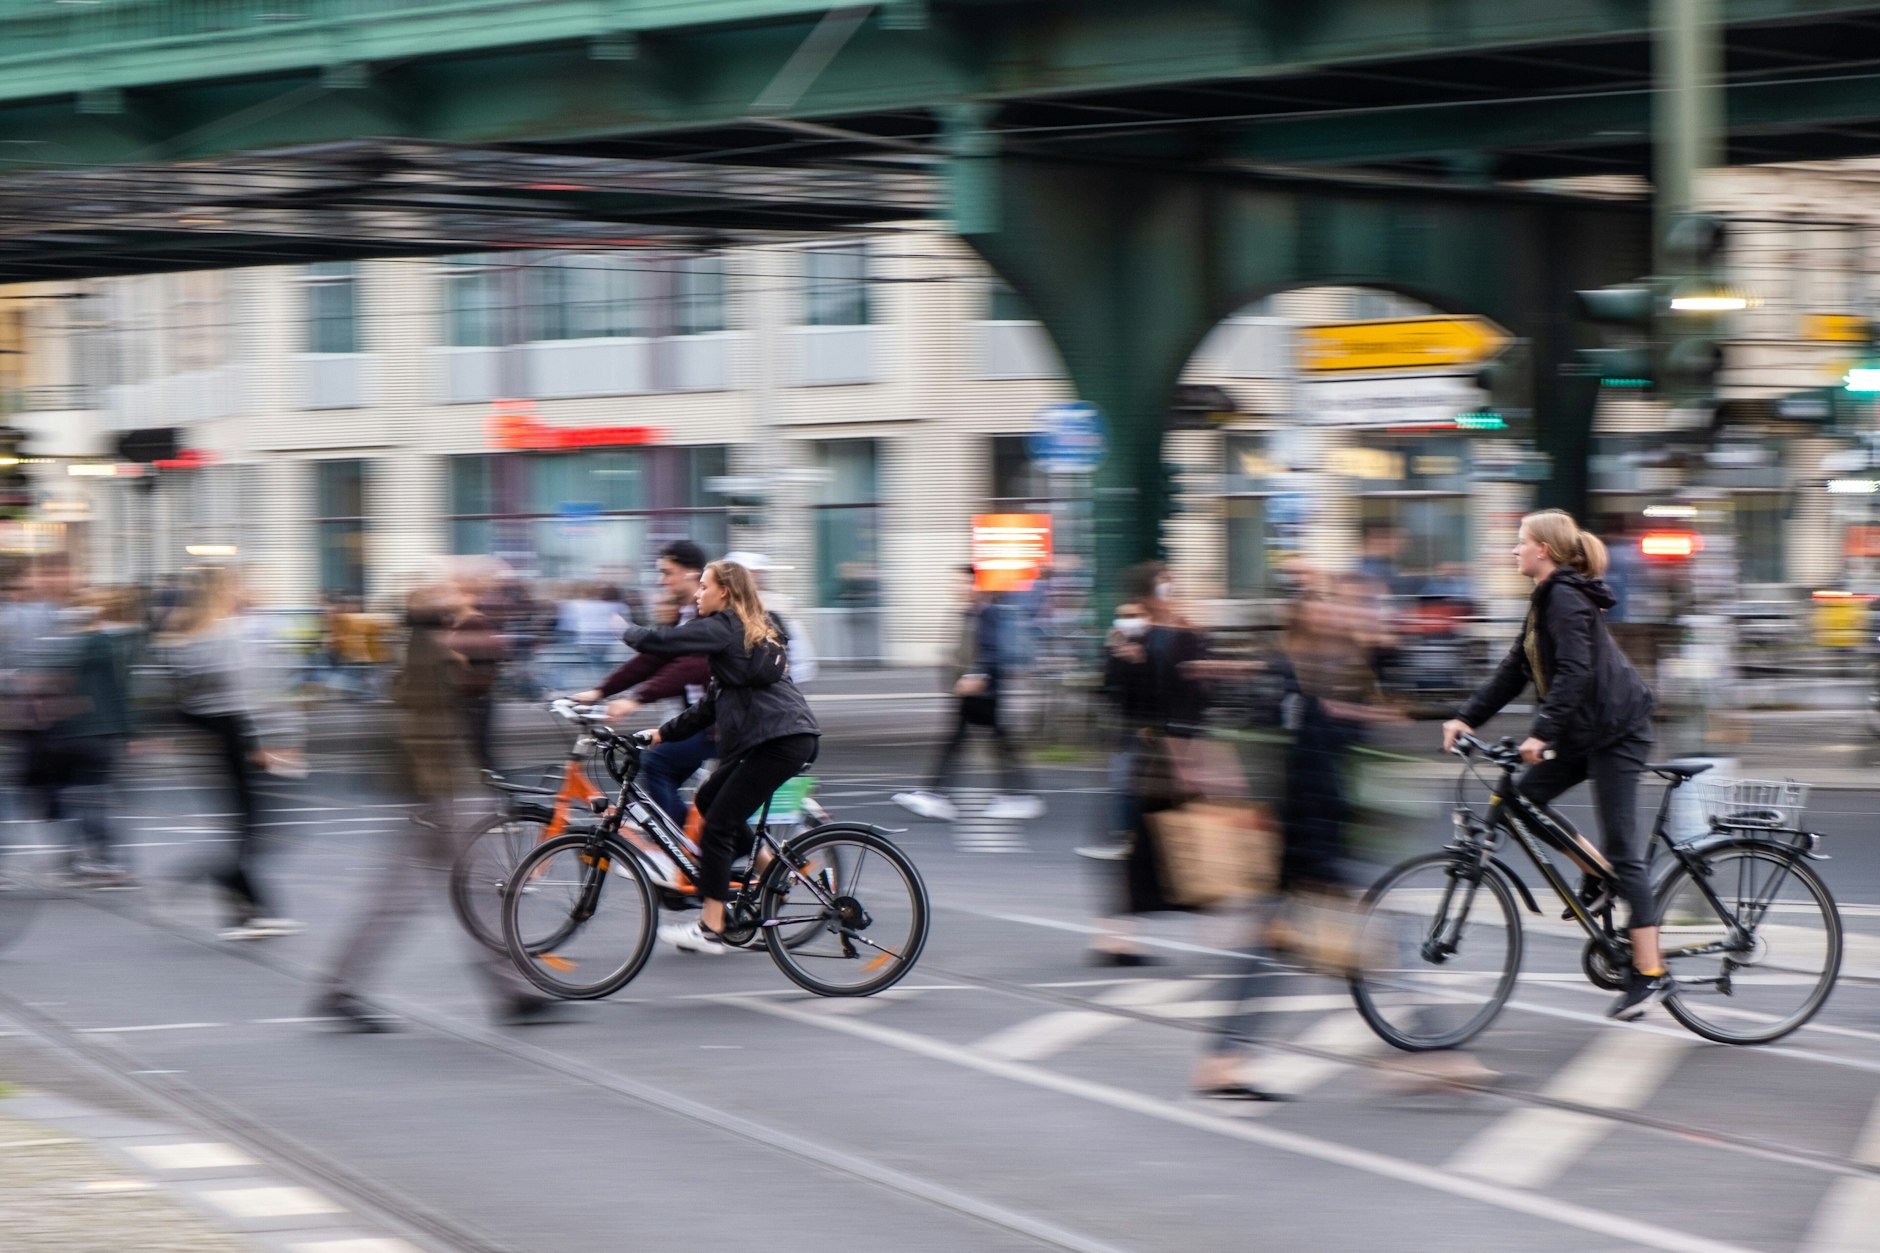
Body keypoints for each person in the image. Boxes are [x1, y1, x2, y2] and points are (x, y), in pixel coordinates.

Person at [1442, 509, 1662, 1020]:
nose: (1513, 550)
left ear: (1544, 549)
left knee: (1626, 852)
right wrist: (1465, 718)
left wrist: (1542, 733)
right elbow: (1514, 670)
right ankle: (1599, 876)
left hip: (1617, 733)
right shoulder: (1545, 601)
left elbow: (1575, 674)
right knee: (1522, 798)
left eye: (1521, 542)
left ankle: (1651, 975)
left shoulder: (1563, 598)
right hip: (1587, 731)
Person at [318, 581, 556, 1029]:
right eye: (452, 604)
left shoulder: (424, 650)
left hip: (442, 793)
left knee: (422, 896)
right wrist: (438, 797)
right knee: (475, 893)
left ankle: (343, 988)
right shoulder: (429, 655)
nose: (462, 608)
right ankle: (512, 992)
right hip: (446, 794)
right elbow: (427, 732)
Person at [623, 560, 820, 955]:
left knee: (716, 827)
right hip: (780, 739)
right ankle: (773, 874)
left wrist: (624, 630)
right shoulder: (741, 636)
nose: (697, 594)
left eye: (703, 587)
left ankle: (711, 926)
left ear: (724, 592)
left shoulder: (725, 626)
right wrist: (661, 734)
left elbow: (664, 642)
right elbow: (708, 708)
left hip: (778, 742)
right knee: (710, 800)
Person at [160, 566, 301, 940]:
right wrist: (272, 740)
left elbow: (179, 698)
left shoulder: (182, 638)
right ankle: (234, 888)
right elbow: (254, 690)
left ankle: (244, 909)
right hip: (239, 734)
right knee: (257, 826)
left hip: (205, 737)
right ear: (224, 592)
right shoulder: (231, 634)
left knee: (243, 823)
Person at [1086, 564, 1208, 964]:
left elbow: (1191, 693)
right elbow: (1115, 695)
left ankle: (1119, 939)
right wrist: (1122, 658)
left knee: (1170, 843)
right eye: (1165, 587)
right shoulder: (1137, 637)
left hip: (1166, 754)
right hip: (1143, 755)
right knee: (1138, 844)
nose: (1171, 593)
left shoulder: (1175, 634)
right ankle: (1116, 940)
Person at [571, 539, 713, 828]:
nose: (662, 581)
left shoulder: (707, 616)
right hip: (701, 720)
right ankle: (693, 849)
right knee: (661, 774)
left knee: (656, 764)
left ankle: (691, 853)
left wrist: (636, 699)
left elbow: (691, 666)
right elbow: (654, 659)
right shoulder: (686, 615)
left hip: (721, 724)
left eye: (667, 572)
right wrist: (601, 691)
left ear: (691, 573)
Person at [893, 567, 1043, 823]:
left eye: (962, 583)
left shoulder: (988, 613)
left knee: (979, 743)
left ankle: (1014, 796)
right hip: (973, 691)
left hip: (982, 691)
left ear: (976, 585)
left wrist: (977, 676)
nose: (957, 587)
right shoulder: (971, 613)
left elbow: (992, 649)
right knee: (976, 742)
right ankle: (1015, 796)